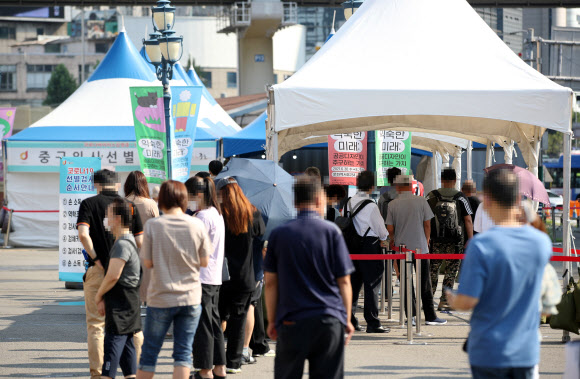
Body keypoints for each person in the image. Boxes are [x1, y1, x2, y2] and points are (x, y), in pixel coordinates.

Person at [447, 169, 552, 379]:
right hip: (526, 350)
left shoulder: (481, 245)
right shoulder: (541, 243)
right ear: (517, 198)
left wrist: (452, 299)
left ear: (487, 199)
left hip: (488, 350)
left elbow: (468, 301)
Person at [264, 176, 355, 379]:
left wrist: (271, 321)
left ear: (295, 203)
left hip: (291, 320)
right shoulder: (332, 232)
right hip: (329, 319)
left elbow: (270, 283)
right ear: (319, 200)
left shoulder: (279, 234)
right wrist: (347, 319)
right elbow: (344, 281)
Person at [137, 180, 211, 379]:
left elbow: (147, 262)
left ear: (161, 200)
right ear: (184, 199)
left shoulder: (153, 226)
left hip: (160, 297)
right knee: (183, 354)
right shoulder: (196, 224)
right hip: (190, 297)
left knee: (149, 353)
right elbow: (205, 262)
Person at [77, 169, 144, 379]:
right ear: (116, 185)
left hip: (98, 271)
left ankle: (98, 374)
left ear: (96, 185)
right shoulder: (128, 206)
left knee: (96, 325)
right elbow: (140, 242)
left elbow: (82, 234)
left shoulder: (88, 203)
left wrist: (96, 258)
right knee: (132, 326)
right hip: (125, 272)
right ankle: (137, 371)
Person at [216, 177, 265, 374]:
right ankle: (233, 363)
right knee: (238, 320)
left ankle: (215, 359)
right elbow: (261, 234)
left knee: (217, 319)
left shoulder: (219, 214)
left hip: (221, 275)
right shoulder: (252, 213)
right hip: (245, 276)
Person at [386, 174, 447, 325]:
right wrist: (426, 240)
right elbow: (428, 224)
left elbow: (390, 228)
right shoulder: (421, 201)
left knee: (406, 283)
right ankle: (430, 316)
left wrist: (394, 239)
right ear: (411, 185)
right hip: (420, 248)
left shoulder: (392, 204)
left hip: (401, 249)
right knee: (424, 282)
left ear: (398, 187)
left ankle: (411, 317)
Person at [185, 176, 227, 379]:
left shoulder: (202, 218)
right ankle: (219, 367)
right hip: (213, 276)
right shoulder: (216, 214)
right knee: (213, 324)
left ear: (198, 195)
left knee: (203, 326)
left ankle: (205, 370)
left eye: (189, 196)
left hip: (201, 277)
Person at [96, 198, 142, 379]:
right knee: (128, 351)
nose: (105, 219)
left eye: (107, 215)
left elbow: (113, 275)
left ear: (117, 218)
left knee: (112, 352)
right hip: (129, 303)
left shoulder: (122, 244)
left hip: (121, 306)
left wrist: (98, 295)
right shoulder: (126, 240)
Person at [345, 171, 389, 333]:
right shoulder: (371, 205)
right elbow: (382, 231)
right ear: (372, 186)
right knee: (372, 285)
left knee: (354, 284)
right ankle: (372, 322)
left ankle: (350, 320)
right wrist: (385, 237)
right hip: (370, 247)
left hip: (351, 247)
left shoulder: (349, 202)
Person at [426, 168, 473, 310]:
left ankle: (428, 300)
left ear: (441, 180)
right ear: (454, 181)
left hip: (435, 240)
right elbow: (468, 220)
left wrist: (426, 238)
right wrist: (470, 240)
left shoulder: (431, 196)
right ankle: (444, 301)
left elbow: (426, 220)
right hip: (456, 242)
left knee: (433, 271)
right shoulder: (461, 197)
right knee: (451, 272)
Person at [124, 171, 159, 304]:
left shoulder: (123, 202)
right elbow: (158, 226)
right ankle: (145, 301)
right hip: (147, 246)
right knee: (147, 277)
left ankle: (131, 302)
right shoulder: (150, 204)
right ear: (144, 185)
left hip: (126, 246)